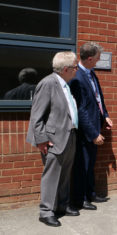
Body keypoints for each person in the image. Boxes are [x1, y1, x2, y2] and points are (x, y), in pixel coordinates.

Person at [26, 51, 80, 227]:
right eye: (74, 67)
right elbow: (36, 115)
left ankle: (62, 206)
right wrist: (41, 139)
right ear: (65, 69)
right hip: (53, 139)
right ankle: (46, 211)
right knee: (51, 176)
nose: (76, 70)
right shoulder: (48, 83)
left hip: (69, 135)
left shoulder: (64, 84)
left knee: (64, 176)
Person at [69, 42, 113, 210]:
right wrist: (94, 133)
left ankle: (90, 193)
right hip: (85, 132)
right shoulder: (77, 78)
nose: (98, 61)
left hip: (95, 126)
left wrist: (105, 116)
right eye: (96, 59)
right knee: (82, 166)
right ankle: (81, 199)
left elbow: (98, 98)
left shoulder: (91, 74)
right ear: (89, 59)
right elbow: (80, 110)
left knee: (90, 164)